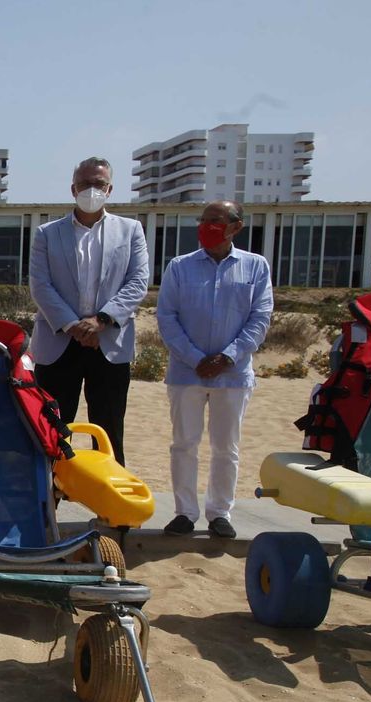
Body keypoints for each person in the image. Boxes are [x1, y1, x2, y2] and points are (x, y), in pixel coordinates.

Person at [156, 200, 273, 539]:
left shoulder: (255, 267)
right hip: (186, 373)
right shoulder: (180, 267)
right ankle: (185, 513)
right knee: (184, 444)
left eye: (215, 220)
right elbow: (167, 317)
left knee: (226, 447)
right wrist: (195, 359)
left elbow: (260, 317)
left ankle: (220, 512)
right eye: (203, 220)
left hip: (233, 376)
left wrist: (228, 357)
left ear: (236, 226)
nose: (206, 226)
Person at [28, 156, 150, 464]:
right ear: (73, 188)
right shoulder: (47, 233)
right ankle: (48, 504)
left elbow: (138, 281)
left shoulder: (131, 230)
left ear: (109, 189)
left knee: (108, 430)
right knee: (52, 429)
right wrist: (73, 326)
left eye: (98, 184)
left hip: (109, 344)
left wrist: (101, 321)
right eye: (85, 184)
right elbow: (40, 285)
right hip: (59, 344)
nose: (91, 190)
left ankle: (109, 506)